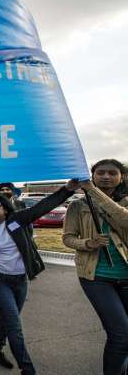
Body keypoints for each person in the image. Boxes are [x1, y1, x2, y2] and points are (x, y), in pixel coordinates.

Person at [0, 180, 79, 374]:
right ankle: (27, 368)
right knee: (14, 324)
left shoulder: (17, 220)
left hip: (20, 280)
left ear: (5, 206)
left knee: (8, 317)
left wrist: (67, 190)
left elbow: (43, 207)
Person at [63, 159, 128, 375]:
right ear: (93, 175)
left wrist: (92, 190)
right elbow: (68, 238)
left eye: (112, 173)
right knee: (120, 334)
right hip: (96, 276)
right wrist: (87, 243)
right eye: (100, 173)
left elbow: (124, 220)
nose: (106, 177)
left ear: (122, 177)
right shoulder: (77, 206)